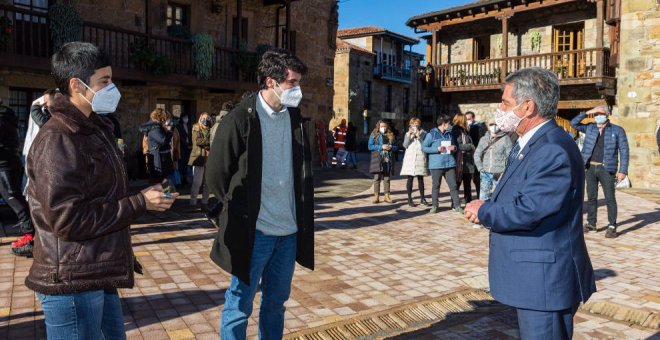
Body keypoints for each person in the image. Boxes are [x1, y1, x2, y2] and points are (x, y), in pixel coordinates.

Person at [24, 41, 177, 339]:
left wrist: (147, 195)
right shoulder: (59, 139)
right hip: (72, 282)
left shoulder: (94, 128)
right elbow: (68, 220)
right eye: (104, 82)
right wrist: (139, 204)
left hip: (94, 272)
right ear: (76, 86)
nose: (112, 88)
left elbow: (101, 194)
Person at [464, 67, 596, 339]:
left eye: (505, 102)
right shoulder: (532, 142)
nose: (500, 108)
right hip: (535, 279)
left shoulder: (551, 148)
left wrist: (484, 210)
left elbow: (529, 209)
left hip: (544, 281)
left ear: (527, 107)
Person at [205, 48, 314, 339]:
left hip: (288, 233)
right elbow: (216, 176)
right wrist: (237, 213)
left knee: (276, 305)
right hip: (254, 233)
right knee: (239, 304)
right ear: (270, 82)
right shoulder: (240, 119)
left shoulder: (295, 119)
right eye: (292, 83)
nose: (297, 90)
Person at [570, 105, 629, 238]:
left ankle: (612, 226)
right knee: (591, 197)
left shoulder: (617, 130)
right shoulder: (590, 127)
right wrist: (587, 112)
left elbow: (624, 151)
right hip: (590, 167)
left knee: (610, 198)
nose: (598, 116)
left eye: (600, 114)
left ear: (607, 115)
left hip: (606, 168)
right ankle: (591, 223)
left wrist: (623, 170)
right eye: (596, 114)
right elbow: (573, 123)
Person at [0, 100, 34, 257]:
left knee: (16, 201)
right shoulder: (7, 114)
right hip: (9, 161)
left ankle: (30, 237)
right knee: (16, 200)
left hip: (4, 164)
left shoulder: (2, 117)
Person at [422, 114, 461, 214]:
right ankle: (435, 206)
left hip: (449, 164)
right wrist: (437, 149)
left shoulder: (449, 134)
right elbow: (424, 148)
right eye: (448, 123)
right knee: (436, 186)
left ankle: (457, 206)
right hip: (436, 165)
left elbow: (455, 147)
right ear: (443, 124)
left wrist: (454, 148)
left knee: (453, 186)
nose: (450, 125)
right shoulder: (431, 134)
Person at [474, 121, 512, 202]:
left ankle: (498, 212)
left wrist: (505, 170)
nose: (494, 126)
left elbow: (510, 156)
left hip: (500, 173)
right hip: (485, 172)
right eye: (491, 124)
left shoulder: (505, 139)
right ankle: (483, 212)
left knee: (500, 195)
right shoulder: (483, 139)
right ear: (488, 126)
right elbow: (477, 154)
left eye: (496, 124)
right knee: (483, 196)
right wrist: (480, 168)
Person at [400, 117, 430, 207]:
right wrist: (409, 135)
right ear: (410, 125)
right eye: (413, 124)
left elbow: (425, 144)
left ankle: (422, 198)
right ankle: (409, 199)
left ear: (419, 124)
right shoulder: (407, 133)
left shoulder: (424, 133)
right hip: (410, 158)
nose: (414, 125)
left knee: (420, 179)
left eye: (416, 124)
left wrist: (419, 136)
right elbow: (405, 145)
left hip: (420, 157)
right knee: (410, 179)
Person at [140, 108, 174, 184]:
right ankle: (165, 195)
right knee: (160, 183)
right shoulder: (154, 128)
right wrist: (170, 131)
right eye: (166, 118)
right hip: (158, 160)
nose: (167, 120)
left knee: (163, 183)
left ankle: (166, 194)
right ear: (161, 118)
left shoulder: (156, 126)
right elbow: (163, 140)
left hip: (162, 159)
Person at [188, 112, 213, 211]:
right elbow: (198, 141)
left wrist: (209, 142)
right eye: (204, 118)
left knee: (208, 183)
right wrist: (209, 142)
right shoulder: (196, 128)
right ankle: (193, 203)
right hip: (198, 158)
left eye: (208, 118)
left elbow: (214, 140)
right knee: (197, 182)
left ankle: (204, 202)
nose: (205, 120)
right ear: (200, 118)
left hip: (209, 159)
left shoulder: (212, 128)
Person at [368, 120, 397, 203]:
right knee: (377, 178)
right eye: (381, 126)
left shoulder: (390, 135)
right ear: (378, 126)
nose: (383, 128)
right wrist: (381, 147)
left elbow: (396, 146)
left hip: (388, 159)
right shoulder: (374, 134)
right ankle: (376, 196)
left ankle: (387, 196)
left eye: (385, 126)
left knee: (387, 178)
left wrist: (391, 147)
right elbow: (370, 146)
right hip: (377, 158)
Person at [452, 113, 476, 204]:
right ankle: (455, 204)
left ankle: (468, 202)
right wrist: (469, 146)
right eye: (465, 119)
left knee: (467, 185)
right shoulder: (455, 130)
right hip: (460, 161)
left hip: (467, 161)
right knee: (457, 183)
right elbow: (457, 146)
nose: (466, 121)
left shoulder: (465, 130)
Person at [465, 111, 485, 198]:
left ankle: (479, 196)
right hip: (467, 155)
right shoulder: (464, 127)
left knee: (477, 177)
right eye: (466, 119)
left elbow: (481, 139)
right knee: (467, 177)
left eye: (469, 118)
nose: (467, 120)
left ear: (473, 118)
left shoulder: (478, 126)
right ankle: (468, 198)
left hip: (476, 153)